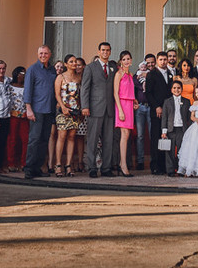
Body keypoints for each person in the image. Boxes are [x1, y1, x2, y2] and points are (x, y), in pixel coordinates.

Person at [80, 41, 117, 178]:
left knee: (108, 140)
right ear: (98, 51)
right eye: (103, 50)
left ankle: (106, 168)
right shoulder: (90, 67)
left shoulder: (113, 67)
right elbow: (85, 88)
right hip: (94, 108)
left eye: (107, 50)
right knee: (93, 140)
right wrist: (85, 106)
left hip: (110, 109)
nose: (105, 52)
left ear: (110, 52)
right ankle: (92, 168)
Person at [23, 46, 57, 179]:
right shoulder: (32, 69)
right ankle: (29, 168)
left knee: (44, 140)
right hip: (36, 110)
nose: (43, 55)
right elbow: (28, 90)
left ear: (50, 54)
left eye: (45, 53)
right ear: (38, 55)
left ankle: (37, 167)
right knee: (34, 139)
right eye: (41, 53)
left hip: (49, 110)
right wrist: (28, 108)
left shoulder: (52, 70)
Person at [53, 55, 84, 176]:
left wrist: (81, 110)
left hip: (75, 111)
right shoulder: (60, 77)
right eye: (71, 61)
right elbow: (57, 94)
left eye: (75, 61)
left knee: (72, 137)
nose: (74, 63)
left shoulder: (79, 77)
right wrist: (63, 107)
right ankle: (58, 164)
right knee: (62, 136)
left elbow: (80, 95)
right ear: (66, 64)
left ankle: (68, 165)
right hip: (62, 111)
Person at [146, 52, 174, 174]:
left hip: (168, 111)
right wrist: (156, 106)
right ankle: (155, 166)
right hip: (156, 111)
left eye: (165, 59)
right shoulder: (152, 74)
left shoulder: (170, 74)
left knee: (165, 137)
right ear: (157, 60)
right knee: (156, 137)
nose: (163, 61)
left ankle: (164, 166)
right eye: (161, 59)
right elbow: (148, 93)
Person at [113, 50, 137, 177]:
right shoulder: (119, 74)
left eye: (128, 59)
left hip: (129, 105)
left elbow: (130, 91)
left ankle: (123, 163)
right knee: (124, 134)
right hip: (121, 104)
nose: (126, 61)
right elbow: (115, 93)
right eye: (124, 59)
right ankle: (123, 165)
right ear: (121, 61)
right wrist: (120, 110)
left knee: (127, 135)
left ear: (131, 60)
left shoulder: (131, 75)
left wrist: (135, 101)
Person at [161, 80, 190, 176]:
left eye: (178, 88)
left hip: (182, 129)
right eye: (174, 88)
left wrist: (189, 130)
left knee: (182, 149)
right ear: (171, 90)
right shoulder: (167, 101)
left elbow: (189, 118)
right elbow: (164, 117)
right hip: (171, 129)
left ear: (181, 89)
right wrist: (164, 131)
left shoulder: (186, 101)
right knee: (170, 150)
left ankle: (181, 169)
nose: (176, 90)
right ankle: (170, 170)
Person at [133, 54, 155, 170]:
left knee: (152, 135)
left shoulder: (154, 74)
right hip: (140, 107)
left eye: (151, 63)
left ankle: (153, 160)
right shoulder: (136, 74)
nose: (148, 65)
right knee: (140, 136)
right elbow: (135, 85)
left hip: (151, 107)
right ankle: (140, 161)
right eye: (146, 63)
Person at [7, 66, 28, 172]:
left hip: (24, 117)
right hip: (13, 116)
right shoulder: (10, 86)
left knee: (25, 140)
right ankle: (11, 163)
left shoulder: (27, 86)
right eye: (20, 73)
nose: (22, 75)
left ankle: (23, 163)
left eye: (24, 73)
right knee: (12, 140)